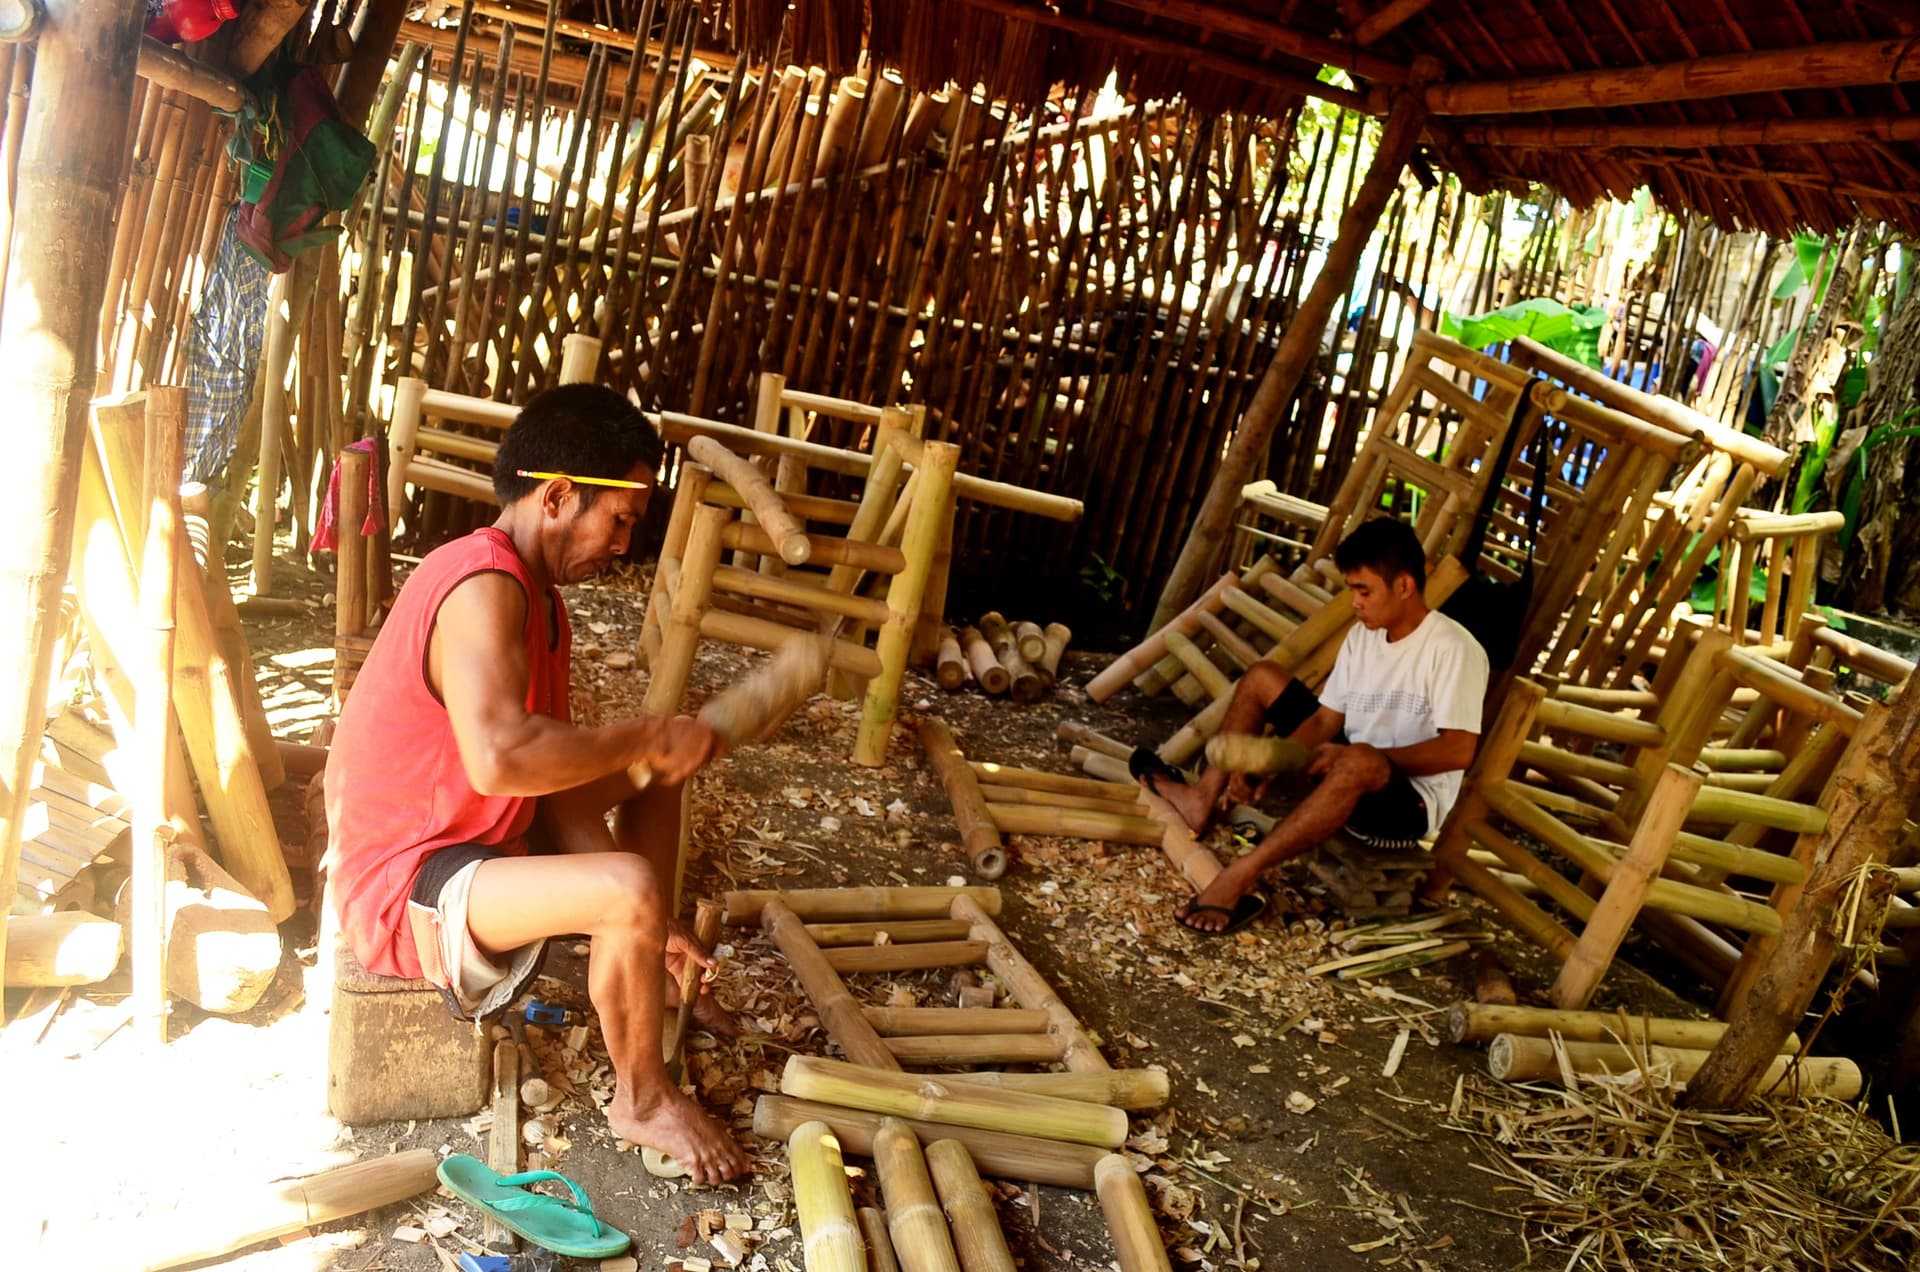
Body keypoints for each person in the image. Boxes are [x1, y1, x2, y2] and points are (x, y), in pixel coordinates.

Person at [324, 384, 748, 1183]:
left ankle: (645, 974)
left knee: (659, 784)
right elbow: (501, 759)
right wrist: (647, 741)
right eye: (619, 519)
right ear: (557, 497)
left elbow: (550, 790)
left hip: (478, 854)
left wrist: (648, 920)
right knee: (626, 878)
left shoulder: (542, 602)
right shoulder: (480, 583)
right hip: (405, 888)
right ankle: (642, 1099)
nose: (624, 544)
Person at [1137, 519, 1489, 935]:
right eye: (1352, 589)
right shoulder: (1364, 637)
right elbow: (1324, 720)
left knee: (1360, 758)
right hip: (1350, 764)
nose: (1355, 602)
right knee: (1262, 677)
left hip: (1406, 804)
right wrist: (1268, 763)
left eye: (1364, 591)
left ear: (1405, 586)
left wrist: (1359, 759)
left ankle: (1240, 875)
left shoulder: (1453, 649)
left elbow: (1457, 752)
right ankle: (1202, 798)